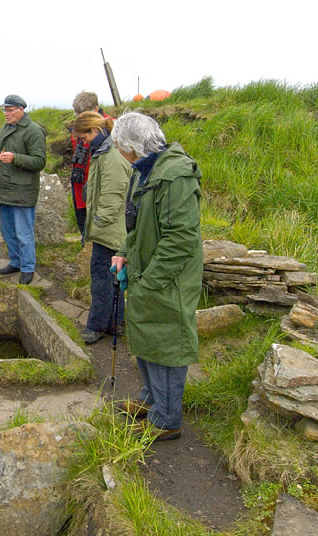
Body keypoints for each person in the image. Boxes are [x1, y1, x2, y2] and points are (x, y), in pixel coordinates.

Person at [110, 112, 203, 442]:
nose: (118, 151)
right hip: (148, 272)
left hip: (168, 279)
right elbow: (138, 222)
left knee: (167, 343)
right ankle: (151, 401)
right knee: (148, 337)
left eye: (119, 145)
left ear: (131, 146)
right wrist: (123, 251)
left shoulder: (174, 176)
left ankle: (166, 420)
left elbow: (181, 239)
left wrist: (149, 283)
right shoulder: (147, 170)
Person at [73, 111, 132, 345]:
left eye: (84, 138)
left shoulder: (112, 155)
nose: (83, 143)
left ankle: (96, 326)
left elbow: (113, 193)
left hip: (110, 231)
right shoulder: (106, 150)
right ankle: (116, 323)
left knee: (100, 279)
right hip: (111, 229)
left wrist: (97, 222)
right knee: (113, 279)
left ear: (94, 131)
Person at [0, 95, 46, 285]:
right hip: (5, 188)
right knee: (8, 230)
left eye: (10, 110)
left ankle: (28, 268)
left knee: (23, 232)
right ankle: (16, 262)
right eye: (5, 110)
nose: (6, 114)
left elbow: (39, 161)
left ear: (21, 109)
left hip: (23, 190)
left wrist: (16, 158)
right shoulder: (5, 129)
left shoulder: (33, 131)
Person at [70, 91, 112, 238]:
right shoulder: (80, 126)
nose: (81, 118)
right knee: (83, 224)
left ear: (96, 109)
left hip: (98, 184)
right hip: (80, 183)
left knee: (97, 229)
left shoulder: (109, 128)